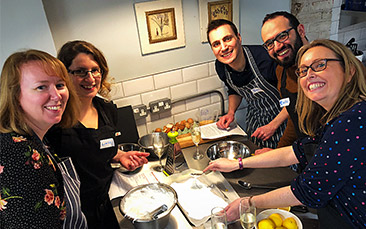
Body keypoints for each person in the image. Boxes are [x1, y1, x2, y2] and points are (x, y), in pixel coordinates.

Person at [204, 39, 366, 228]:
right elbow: (297, 151)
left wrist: (247, 203)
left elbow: (306, 191)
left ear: (349, 71)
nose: (310, 75)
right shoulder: (336, 117)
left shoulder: (354, 121)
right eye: (303, 71)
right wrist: (238, 163)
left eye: (320, 65)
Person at [45, 40, 150, 228]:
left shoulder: (107, 110)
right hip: (76, 211)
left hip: (107, 200)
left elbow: (97, 148)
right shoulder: (55, 121)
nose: (91, 78)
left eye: (95, 70)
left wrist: (119, 155)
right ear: (65, 75)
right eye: (80, 71)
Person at [0, 50, 87, 228]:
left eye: (60, 85)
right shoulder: (18, 154)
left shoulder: (35, 139)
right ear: (15, 96)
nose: (56, 95)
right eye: (41, 87)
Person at [207, 19, 285, 149]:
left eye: (227, 39)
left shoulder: (265, 58)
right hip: (256, 122)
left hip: (283, 121)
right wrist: (231, 112)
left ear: (238, 38)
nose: (223, 47)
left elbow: (292, 98)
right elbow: (234, 90)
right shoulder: (221, 66)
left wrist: (273, 125)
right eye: (216, 44)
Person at [254, 11, 310, 154]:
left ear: (300, 30)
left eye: (282, 36)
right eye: (269, 44)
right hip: (307, 153)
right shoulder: (281, 71)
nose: (277, 46)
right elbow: (294, 116)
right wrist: (278, 152)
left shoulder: (330, 65)